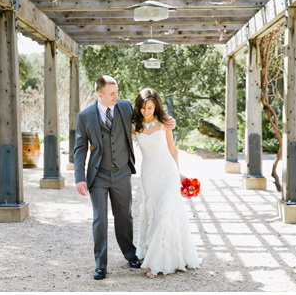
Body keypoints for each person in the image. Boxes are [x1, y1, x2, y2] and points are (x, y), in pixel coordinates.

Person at [73, 75, 175, 280]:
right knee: (99, 219)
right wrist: (79, 178)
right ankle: (101, 265)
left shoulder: (126, 107)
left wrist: (168, 120)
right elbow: (80, 148)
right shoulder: (85, 116)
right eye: (112, 94)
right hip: (98, 175)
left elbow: (147, 116)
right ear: (99, 95)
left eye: (117, 92)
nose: (116, 96)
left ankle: (130, 254)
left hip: (121, 172)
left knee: (124, 216)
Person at [132, 88, 201, 277]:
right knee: (154, 212)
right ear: (139, 107)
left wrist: (179, 175)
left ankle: (154, 264)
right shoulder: (134, 125)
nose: (147, 111)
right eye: (144, 107)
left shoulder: (165, 123)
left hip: (168, 172)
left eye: (150, 107)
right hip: (149, 174)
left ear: (156, 107)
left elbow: (173, 149)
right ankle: (154, 254)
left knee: (165, 211)